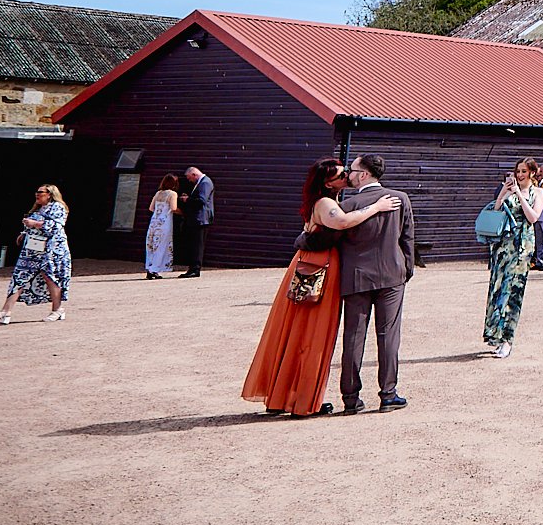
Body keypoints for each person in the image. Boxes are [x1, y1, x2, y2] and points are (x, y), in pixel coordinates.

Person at [241, 159, 398, 416]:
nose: (346, 176)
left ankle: (284, 396)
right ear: (327, 183)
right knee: (312, 334)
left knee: (297, 332)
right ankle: (302, 401)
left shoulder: (325, 200)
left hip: (313, 265)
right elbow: (344, 222)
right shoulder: (326, 203)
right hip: (318, 269)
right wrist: (377, 206)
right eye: (340, 175)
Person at [338, 154, 416, 414]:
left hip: (357, 275)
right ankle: (388, 394)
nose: (349, 174)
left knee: (353, 336)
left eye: (352, 169)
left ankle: (350, 398)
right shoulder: (400, 198)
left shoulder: (348, 204)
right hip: (392, 274)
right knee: (389, 335)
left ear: (364, 174)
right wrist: (407, 268)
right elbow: (408, 236)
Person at [483, 158, 543, 357]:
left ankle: (508, 339)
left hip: (521, 247)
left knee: (513, 292)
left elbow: (533, 217)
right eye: (518, 171)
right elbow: (495, 211)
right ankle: (495, 336)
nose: (520, 175)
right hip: (502, 246)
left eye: (524, 171)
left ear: (532, 173)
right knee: (498, 289)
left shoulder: (539, 192)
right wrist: (503, 193)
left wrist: (519, 194)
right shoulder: (508, 189)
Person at [0, 184, 73, 323]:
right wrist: (25, 232)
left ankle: (57, 309)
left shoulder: (58, 207)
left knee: (50, 277)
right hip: (32, 249)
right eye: (36, 192)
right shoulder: (38, 208)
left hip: (52, 250)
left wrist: (34, 223)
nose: (37, 194)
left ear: (50, 194)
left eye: (41, 192)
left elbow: (56, 226)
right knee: (19, 276)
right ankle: (5, 311)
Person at [176, 165, 214, 277]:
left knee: (197, 245)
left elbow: (201, 200)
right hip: (197, 219)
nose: (189, 180)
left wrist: (187, 199)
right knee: (193, 244)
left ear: (194, 174)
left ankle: (195, 269)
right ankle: (192, 268)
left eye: (189, 178)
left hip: (200, 219)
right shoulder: (202, 182)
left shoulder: (205, 183)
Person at [144, 173, 179, 279]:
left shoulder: (158, 193)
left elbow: (151, 208)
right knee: (162, 245)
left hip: (154, 221)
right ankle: (155, 268)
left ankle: (150, 268)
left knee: (152, 245)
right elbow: (173, 208)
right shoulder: (172, 194)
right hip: (164, 222)